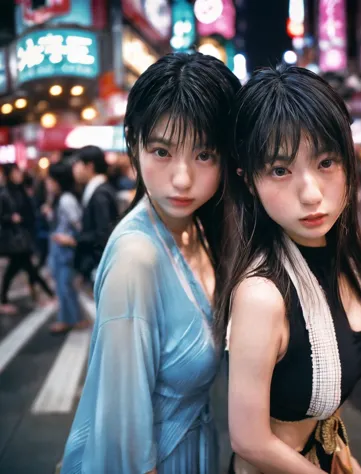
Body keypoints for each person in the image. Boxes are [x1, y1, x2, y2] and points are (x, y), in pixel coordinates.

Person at [60, 53, 241, 473]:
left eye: (204, 155)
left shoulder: (194, 227)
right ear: (134, 143)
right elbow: (123, 441)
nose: (181, 178)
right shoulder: (135, 259)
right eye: (161, 151)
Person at [217, 66, 361, 474]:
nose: (311, 194)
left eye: (326, 162)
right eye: (280, 170)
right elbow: (249, 440)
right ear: (249, 182)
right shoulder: (262, 295)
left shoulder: (343, 256)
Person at [0, 164, 54, 313]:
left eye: (19, 172)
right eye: (15, 173)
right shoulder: (4, 193)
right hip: (15, 239)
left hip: (25, 235)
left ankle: (38, 296)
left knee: (20, 269)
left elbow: (30, 210)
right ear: (9, 175)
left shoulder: (22, 190)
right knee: (29, 269)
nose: (18, 175)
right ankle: (50, 295)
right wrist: (10, 218)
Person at [45, 162, 88, 334]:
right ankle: (71, 319)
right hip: (59, 250)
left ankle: (73, 319)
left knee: (65, 286)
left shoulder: (66, 200)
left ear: (57, 181)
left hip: (65, 251)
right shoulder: (60, 198)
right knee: (63, 286)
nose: (47, 183)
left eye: (50, 179)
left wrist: (68, 239)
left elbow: (79, 226)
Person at [72, 145, 119, 284]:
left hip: (99, 266)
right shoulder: (99, 190)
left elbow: (103, 235)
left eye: (77, 164)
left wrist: (75, 239)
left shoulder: (100, 194)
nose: (74, 169)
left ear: (89, 166)